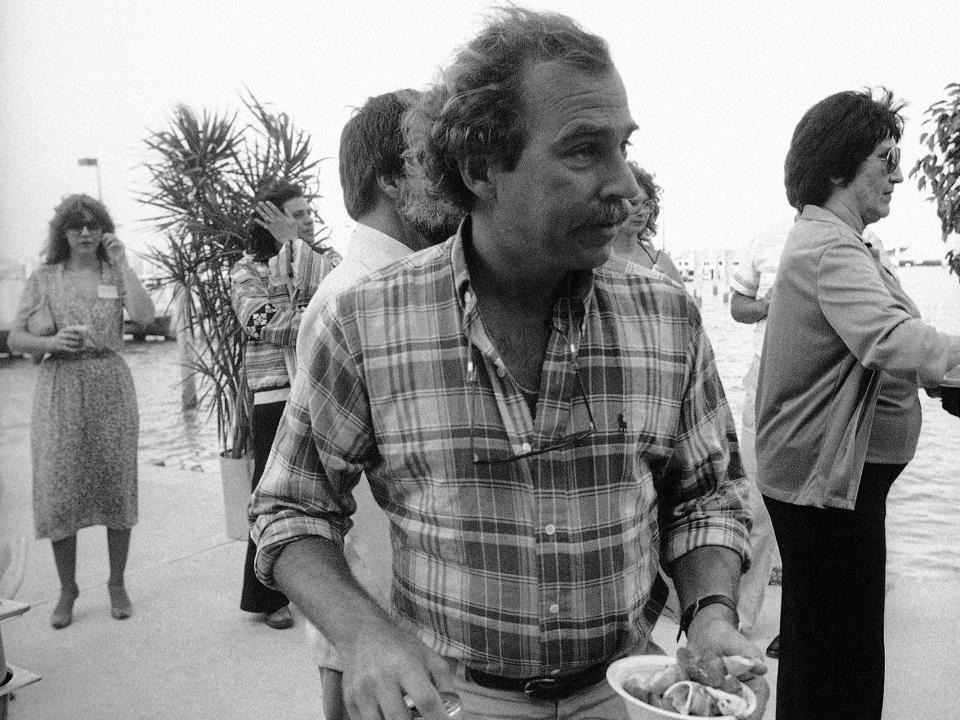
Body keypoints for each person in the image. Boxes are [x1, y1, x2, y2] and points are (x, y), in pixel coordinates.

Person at [251, 8, 768, 720]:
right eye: (585, 151)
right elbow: (290, 507)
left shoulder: (667, 316)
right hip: (453, 701)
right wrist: (362, 634)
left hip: (622, 692)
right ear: (481, 168)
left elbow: (709, 493)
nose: (625, 184)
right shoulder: (365, 321)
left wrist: (709, 611)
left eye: (623, 146)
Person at [755, 87, 960, 720]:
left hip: (833, 488)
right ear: (841, 165)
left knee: (824, 648)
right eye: (886, 156)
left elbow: (885, 347)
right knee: (843, 661)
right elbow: (889, 338)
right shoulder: (829, 249)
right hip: (826, 490)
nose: (898, 173)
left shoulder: (842, 246)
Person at [301, 88, 461, 720]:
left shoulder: (398, 286)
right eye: (436, 158)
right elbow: (324, 504)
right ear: (394, 179)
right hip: (388, 625)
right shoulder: (356, 302)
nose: (459, 176)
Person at [8, 194, 155, 628]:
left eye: (93, 225)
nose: (86, 233)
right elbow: (15, 338)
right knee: (59, 487)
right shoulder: (45, 277)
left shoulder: (115, 272)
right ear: (63, 232)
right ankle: (67, 588)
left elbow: (145, 316)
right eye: (76, 226)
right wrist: (51, 343)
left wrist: (124, 261)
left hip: (110, 381)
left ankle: (116, 581)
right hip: (61, 386)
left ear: (105, 229)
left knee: (116, 481)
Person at [229, 180, 340, 630]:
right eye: (296, 214)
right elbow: (260, 322)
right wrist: (313, 315)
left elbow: (342, 301)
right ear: (269, 219)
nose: (308, 219)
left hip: (325, 385)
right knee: (272, 491)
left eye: (309, 212)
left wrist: (297, 249)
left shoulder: (328, 260)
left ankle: (335, 585)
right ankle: (267, 594)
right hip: (275, 390)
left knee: (333, 488)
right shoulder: (246, 269)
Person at [729, 228, 788, 658]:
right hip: (763, 377)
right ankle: (740, 614)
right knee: (754, 499)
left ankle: (804, 623)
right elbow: (737, 306)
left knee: (820, 506)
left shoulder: (863, 243)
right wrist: (768, 304)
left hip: (826, 385)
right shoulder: (765, 241)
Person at [611, 162, 685, 285]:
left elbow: (684, 302)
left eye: (647, 205)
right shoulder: (596, 259)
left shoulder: (660, 261)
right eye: (633, 203)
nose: (642, 212)